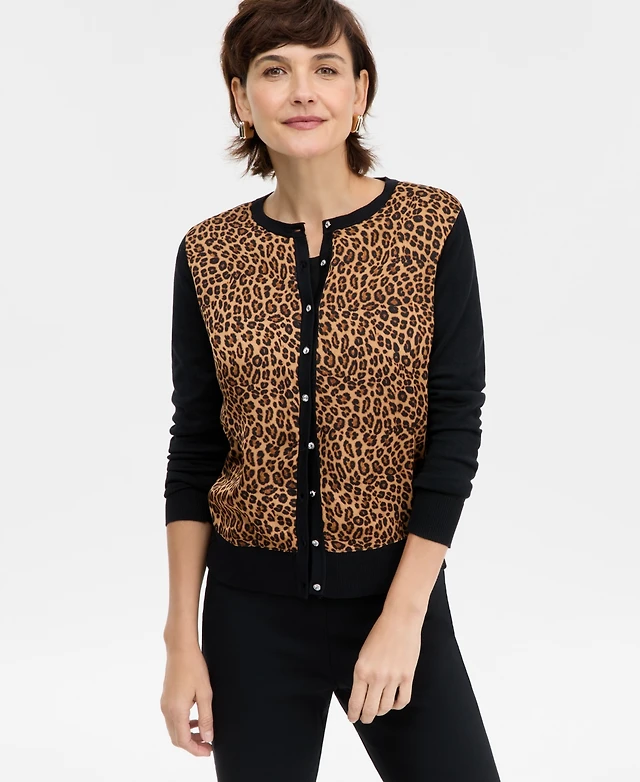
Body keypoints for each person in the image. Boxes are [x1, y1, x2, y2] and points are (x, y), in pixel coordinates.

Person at [160, 1, 502, 780]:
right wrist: (182, 641)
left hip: (394, 602)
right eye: (274, 71)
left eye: (325, 68)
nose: (302, 91)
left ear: (360, 91)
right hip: (248, 619)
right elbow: (195, 450)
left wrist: (405, 618)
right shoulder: (208, 254)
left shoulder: (430, 226)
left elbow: (455, 428)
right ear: (242, 99)